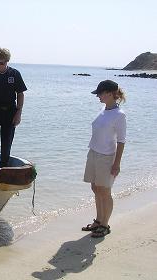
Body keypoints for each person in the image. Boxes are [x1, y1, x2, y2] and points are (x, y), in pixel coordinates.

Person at [82, 80, 126, 238]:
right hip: (93, 153)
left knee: (105, 191)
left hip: (107, 157)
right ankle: (98, 221)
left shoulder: (119, 115)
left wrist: (117, 164)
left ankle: (105, 225)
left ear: (109, 93)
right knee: (95, 188)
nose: (98, 96)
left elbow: (121, 141)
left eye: (100, 93)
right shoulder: (103, 110)